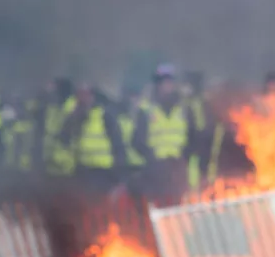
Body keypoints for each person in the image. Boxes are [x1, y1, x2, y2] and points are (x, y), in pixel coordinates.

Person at [132, 67, 195, 205]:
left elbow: (193, 136)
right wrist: (151, 156)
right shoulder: (146, 109)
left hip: (178, 166)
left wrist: (185, 156)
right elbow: (136, 140)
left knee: (179, 206)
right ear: (157, 85)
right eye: (162, 82)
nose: (166, 86)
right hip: (156, 168)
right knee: (158, 207)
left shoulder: (184, 107)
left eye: (169, 82)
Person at [64, 85, 125, 198]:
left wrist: (118, 178)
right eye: (80, 96)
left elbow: (118, 146)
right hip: (82, 171)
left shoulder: (104, 115)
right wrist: (73, 118)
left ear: (92, 97)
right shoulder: (75, 117)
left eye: (86, 95)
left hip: (103, 173)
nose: (83, 99)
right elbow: (64, 139)